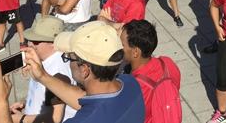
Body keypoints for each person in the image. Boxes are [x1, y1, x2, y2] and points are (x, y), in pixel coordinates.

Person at [12, 21, 146, 123]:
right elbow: (81, 97)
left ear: (84, 70)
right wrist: (43, 76)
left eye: (69, 57)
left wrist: (1, 109)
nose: (68, 61)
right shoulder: (130, 83)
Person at [11, 16, 76, 123]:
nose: (30, 44)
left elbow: (55, 118)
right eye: (30, 39)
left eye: (36, 41)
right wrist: (26, 103)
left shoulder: (58, 72)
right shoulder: (43, 60)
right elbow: (44, 95)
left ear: (53, 44)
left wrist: (21, 119)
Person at [121, 20, 182, 123]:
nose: (118, 47)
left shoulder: (133, 87)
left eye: (122, 44)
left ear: (135, 52)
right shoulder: (167, 63)